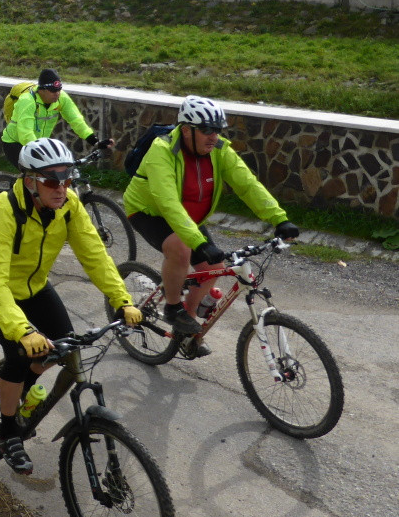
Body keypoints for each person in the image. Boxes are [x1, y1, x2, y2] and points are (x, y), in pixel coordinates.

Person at [0, 137, 142, 475]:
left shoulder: (69, 204)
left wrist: (122, 300)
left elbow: (95, 255)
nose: (61, 188)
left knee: (64, 346)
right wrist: (22, 330)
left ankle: (20, 388)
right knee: (18, 355)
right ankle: (8, 432)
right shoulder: (3, 210)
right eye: (51, 181)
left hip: (34, 286)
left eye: (67, 179)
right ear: (30, 181)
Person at [123, 95, 299, 357]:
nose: (213, 136)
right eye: (206, 130)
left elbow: (247, 185)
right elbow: (168, 203)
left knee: (213, 268)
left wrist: (279, 218)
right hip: (150, 211)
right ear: (186, 130)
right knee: (180, 248)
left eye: (217, 130)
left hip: (189, 218)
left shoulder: (219, 150)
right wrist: (199, 242)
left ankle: (187, 324)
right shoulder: (162, 151)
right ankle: (173, 307)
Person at [0, 68, 112, 168]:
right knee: (33, 176)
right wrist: (41, 151)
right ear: (42, 90)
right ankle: (19, 186)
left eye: (59, 90)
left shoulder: (61, 98)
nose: (57, 93)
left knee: (54, 175)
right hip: (15, 143)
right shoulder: (27, 100)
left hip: (38, 144)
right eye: (53, 91)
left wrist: (94, 141)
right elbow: (25, 132)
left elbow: (76, 120)